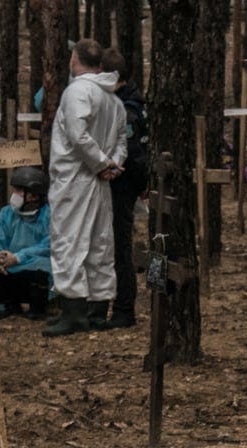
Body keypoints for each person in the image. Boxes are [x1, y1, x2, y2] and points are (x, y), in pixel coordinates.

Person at [42, 39, 126, 337]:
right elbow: (120, 139)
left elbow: (78, 135)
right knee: (98, 241)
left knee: (70, 240)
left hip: (76, 179)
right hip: (97, 179)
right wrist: (111, 163)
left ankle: (76, 310)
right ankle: (97, 307)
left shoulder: (78, 91)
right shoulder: (112, 99)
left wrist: (104, 164)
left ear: (74, 60)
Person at [102, 66, 148, 328]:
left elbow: (133, 152)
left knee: (121, 246)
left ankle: (123, 308)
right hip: (125, 184)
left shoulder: (127, 110)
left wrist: (139, 184)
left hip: (123, 186)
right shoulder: (124, 104)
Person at [0, 161, 53, 316]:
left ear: (34, 195)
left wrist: (18, 257)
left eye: (19, 190)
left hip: (34, 270)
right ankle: (9, 305)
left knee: (42, 269)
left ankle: (38, 308)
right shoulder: (6, 213)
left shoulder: (49, 216)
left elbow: (48, 246)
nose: (14, 195)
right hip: (9, 269)